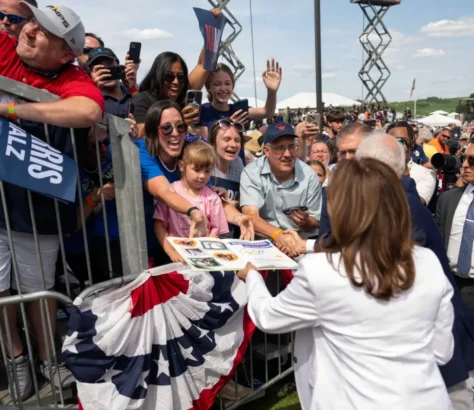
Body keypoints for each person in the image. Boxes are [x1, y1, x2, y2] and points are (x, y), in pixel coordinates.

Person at [239, 157, 454, 410]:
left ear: (340, 208)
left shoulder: (321, 270)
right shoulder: (427, 262)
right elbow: (441, 351)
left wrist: (252, 276)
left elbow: (269, 317)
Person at [0, 3, 104, 400]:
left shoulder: (72, 76)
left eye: (43, 31)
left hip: (37, 209)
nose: (28, 31)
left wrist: (13, 107)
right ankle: (16, 359)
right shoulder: (9, 44)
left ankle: (47, 359)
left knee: (39, 291)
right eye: (31, 23)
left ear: (64, 53)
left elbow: (89, 109)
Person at [135, 100, 253, 264]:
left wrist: (240, 218)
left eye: (180, 126)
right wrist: (195, 212)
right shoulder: (141, 150)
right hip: (150, 248)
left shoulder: (190, 148)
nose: (175, 133)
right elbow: (165, 192)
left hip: (192, 254)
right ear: (153, 131)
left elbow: (212, 200)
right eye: (166, 128)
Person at [240, 122, 321, 256]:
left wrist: (306, 222)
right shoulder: (252, 172)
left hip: (298, 244)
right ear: (266, 151)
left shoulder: (309, 175)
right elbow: (250, 216)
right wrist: (278, 235)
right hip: (264, 244)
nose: (287, 154)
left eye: (291, 147)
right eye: (280, 148)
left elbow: (314, 223)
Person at [154, 140, 229, 262]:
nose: (202, 176)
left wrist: (206, 254)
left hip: (203, 259)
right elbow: (159, 225)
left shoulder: (212, 198)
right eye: (197, 169)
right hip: (175, 258)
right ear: (182, 166)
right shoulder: (170, 193)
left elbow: (215, 232)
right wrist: (171, 252)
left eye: (207, 171)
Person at [196, 60, 282, 136]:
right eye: (217, 84)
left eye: (227, 83)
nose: (223, 88)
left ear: (232, 86)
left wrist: (272, 92)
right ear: (209, 87)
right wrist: (228, 124)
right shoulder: (202, 111)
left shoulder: (238, 111)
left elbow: (267, 112)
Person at [437, 143, 474, 316]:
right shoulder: (447, 200)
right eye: (463, 159)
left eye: (472, 160)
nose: (464, 165)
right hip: (449, 286)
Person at [387, 121, 437, 206]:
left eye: (403, 140)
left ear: (412, 142)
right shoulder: (377, 170)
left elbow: (416, 204)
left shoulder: (425, 174)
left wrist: (403, 163)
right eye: (394, 140)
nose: (399, 144)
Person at [87, 47, 139, 118]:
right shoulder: (87, 97)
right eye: (100, 68)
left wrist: (132, 88)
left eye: (110, 65)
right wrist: (96, 90)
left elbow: (144, 115)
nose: (106, 72)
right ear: (91, 73)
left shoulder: (131, 92)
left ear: (118, 66)